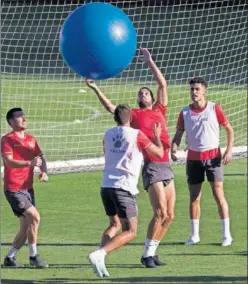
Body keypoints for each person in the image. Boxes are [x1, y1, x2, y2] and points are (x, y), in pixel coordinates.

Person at [86, 48, 176, 268]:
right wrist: (96, 88)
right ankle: (145, 256)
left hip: (166, 165)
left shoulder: (159, 110)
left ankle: (150, 253)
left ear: (152, 98)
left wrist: (150, 61)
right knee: (160, 212)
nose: (142, 94)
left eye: (146, 92)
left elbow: (163, 84)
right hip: (152, 167)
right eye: (140, 93)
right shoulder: (133, 116)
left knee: (170, 216)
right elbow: (111, 108)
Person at [88, 104, 164, 278]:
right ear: (130, 118)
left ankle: (100, 260)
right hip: (123, 187)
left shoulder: (107, 134)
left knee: (114, 224)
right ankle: (100, 254)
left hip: (106, 185)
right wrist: (157, 137)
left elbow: (107, 153)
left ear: (114, 118)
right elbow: (159, 154)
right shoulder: (137, 135)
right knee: (131, 231)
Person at [171, 77, 234, 247]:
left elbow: (229, 129)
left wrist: (228, 151)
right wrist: (174, 147)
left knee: (218, 194)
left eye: (197, 89)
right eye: (192, 89)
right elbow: (178, 134)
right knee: (194, 197)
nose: (194, 92)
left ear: (204, 91)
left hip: (213, 157)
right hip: (193, 159)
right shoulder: (184, 112)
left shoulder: (214, 108)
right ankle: (194, 235)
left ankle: (226, 235)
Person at [1, 107, 49, 268]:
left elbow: (41, 157)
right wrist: (30, 163)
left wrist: (43, 172)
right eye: (19, 116)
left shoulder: (31, 139)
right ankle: (34, 256)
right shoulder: (7, 139)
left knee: (26, 226)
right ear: (11, 122)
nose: (24, 118)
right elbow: (8, 162)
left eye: (24, 116)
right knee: (35, 217)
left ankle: (10, 258)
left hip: (28, 189)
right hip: (13, 189)